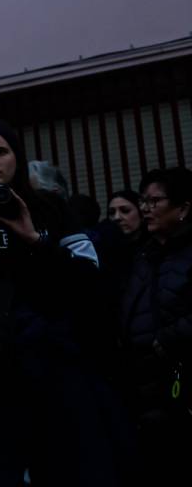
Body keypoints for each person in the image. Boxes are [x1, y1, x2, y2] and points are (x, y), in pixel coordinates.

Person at [0, 120, 124, 486]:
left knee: (66, 463)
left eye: (0, 152)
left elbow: (87, 280)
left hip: (52, 361)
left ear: (16, 158)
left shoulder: (49, 207)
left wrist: (34, 238)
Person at [119, 167, 192, 486]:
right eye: (143, 200)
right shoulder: (143, 256)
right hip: (145, 393)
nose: (146, 208)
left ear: (184, 208)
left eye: (155, 201)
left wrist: (169, 340)